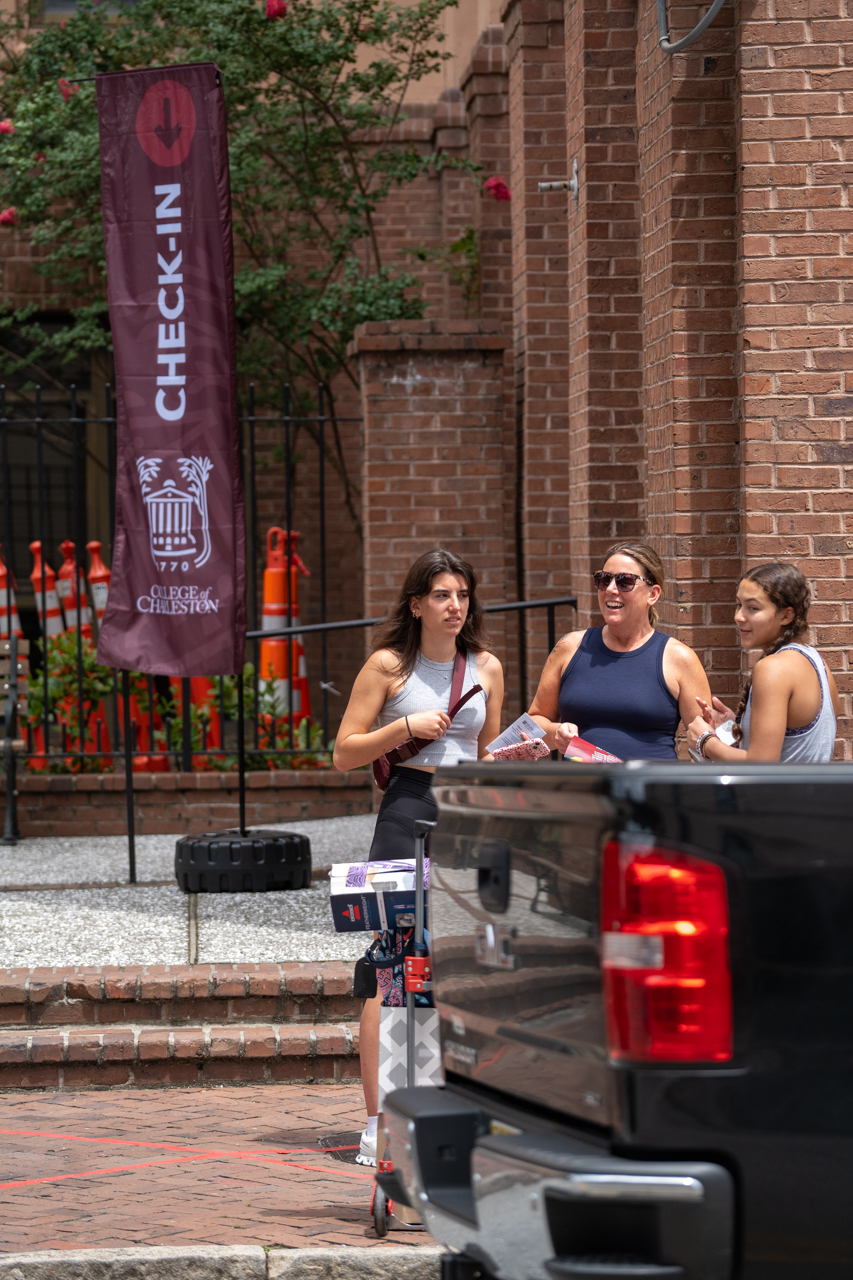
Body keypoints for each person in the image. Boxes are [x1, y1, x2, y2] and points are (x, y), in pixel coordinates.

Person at [332, 548, 503, 1165]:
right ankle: (379, 1122)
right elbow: (344, 752)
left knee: (462, 961)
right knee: (392, 965)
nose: (454, 606)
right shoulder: (387, 666)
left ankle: (454, 1105)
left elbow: (486, 754)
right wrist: (404, 730)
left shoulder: (486, 665)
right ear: (416, 604)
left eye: (462, 594)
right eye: (441, 595)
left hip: (467, 812)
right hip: (406, 811)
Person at [528, 542, 711, 760]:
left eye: (625, 581)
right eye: (604, 580)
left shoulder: (678, 658)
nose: (611, 589)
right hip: (582, 789)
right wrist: (555, 733)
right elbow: (536, 719)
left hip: (649, 790)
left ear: (653, 594)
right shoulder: (570, 647)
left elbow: (703, 743)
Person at [686, 562, 838, 763]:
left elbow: (762, 765)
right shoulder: (818, 663)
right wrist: (736, 729)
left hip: (778, 796)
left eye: (753, 607)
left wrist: (705, 741)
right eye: (739, 605)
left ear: (786, 615)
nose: (739, 616)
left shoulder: (773, 668)